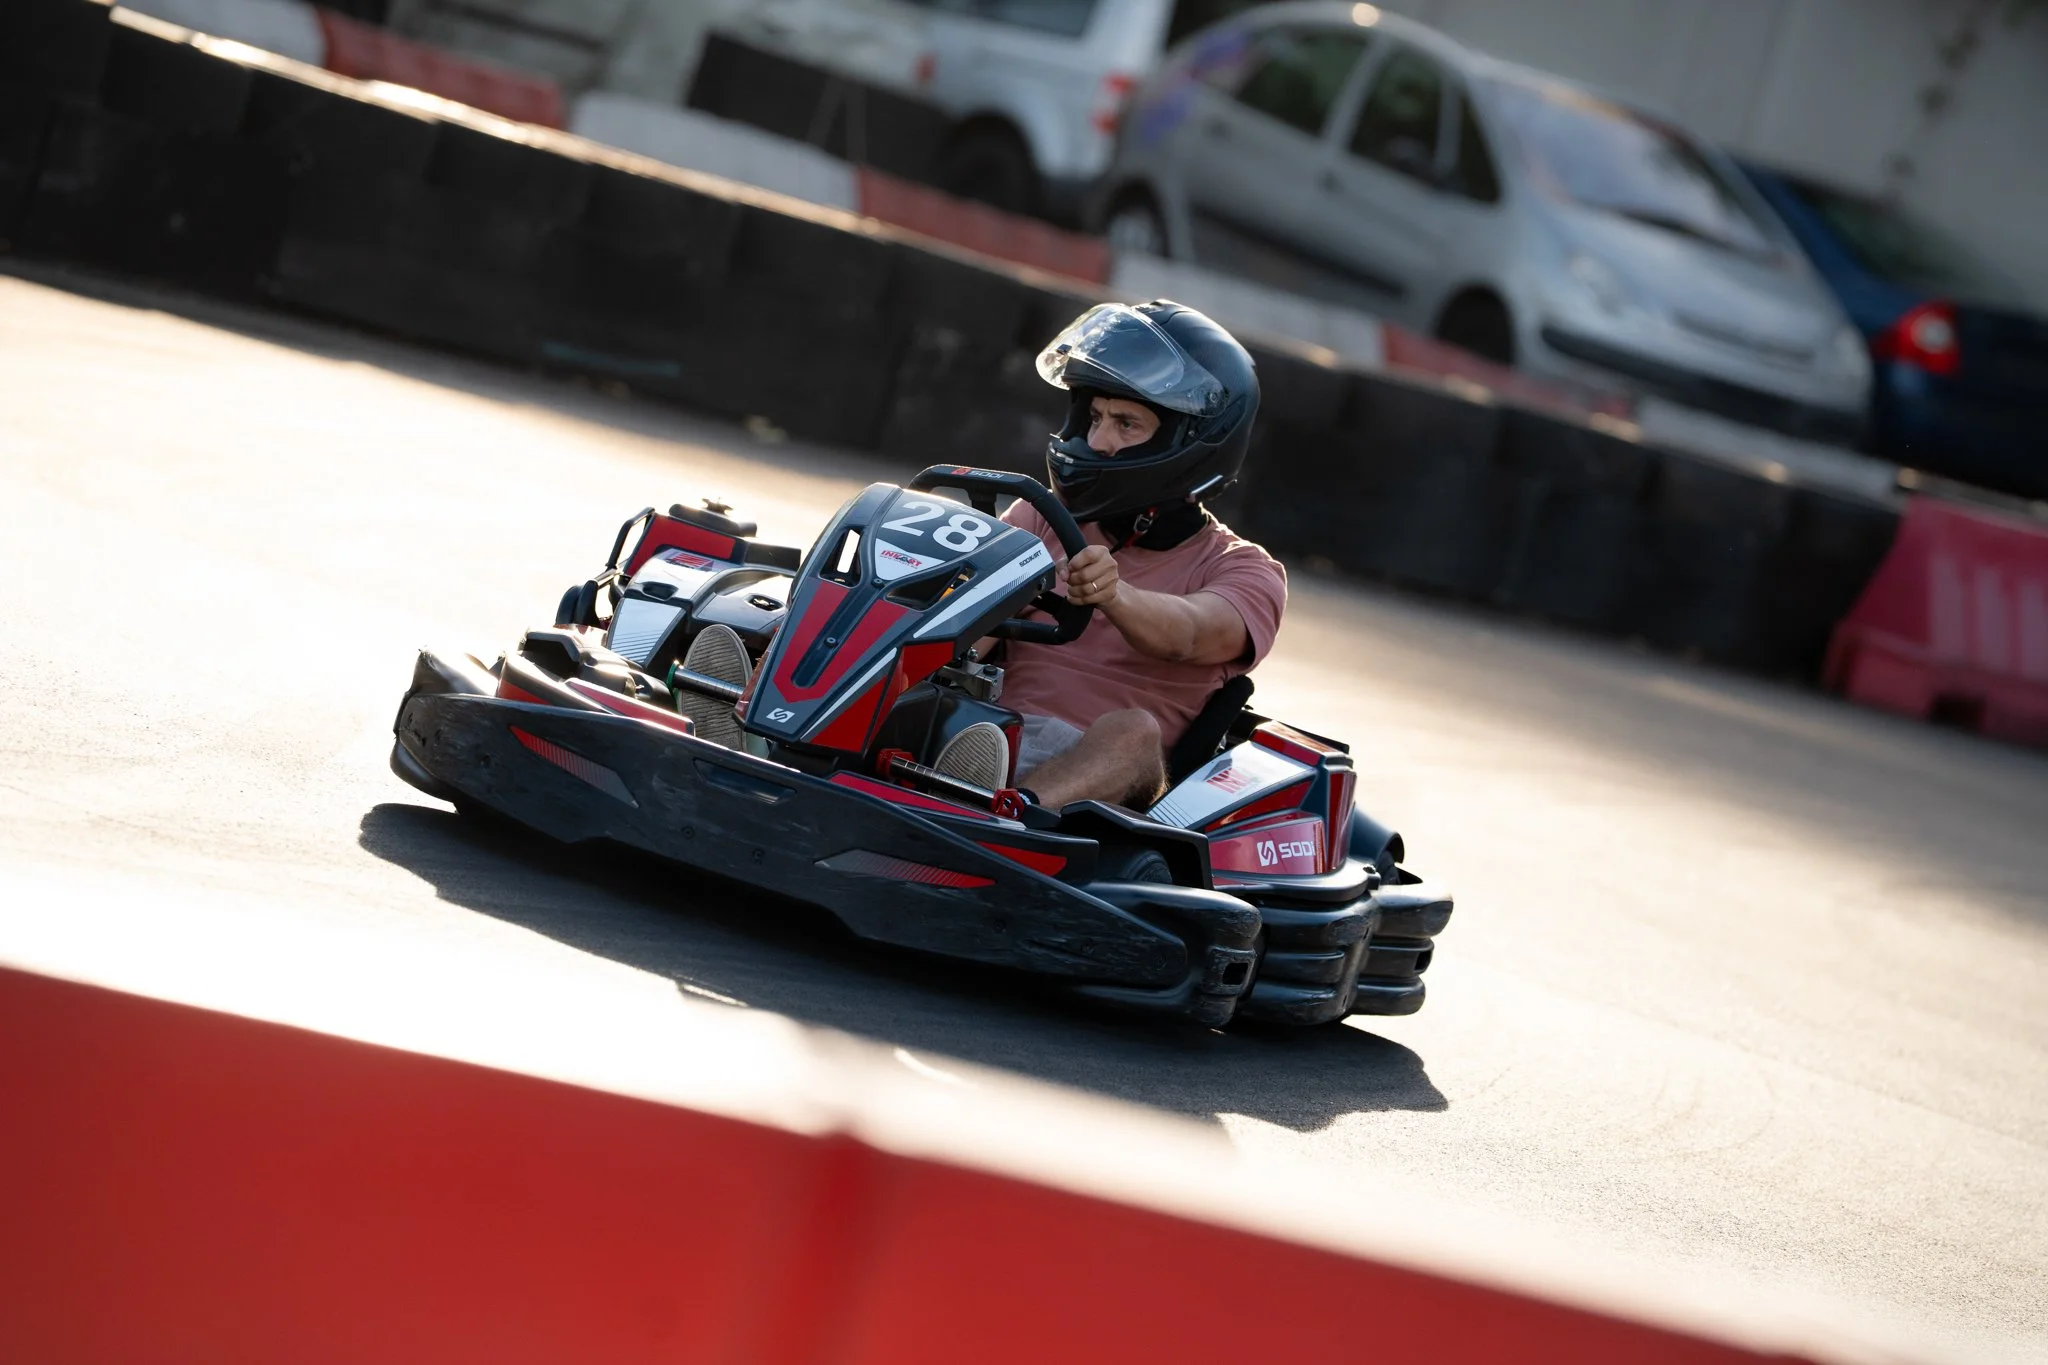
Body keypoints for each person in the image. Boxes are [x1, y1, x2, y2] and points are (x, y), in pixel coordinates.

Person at [989, 299, 1286, 812]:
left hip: (1109, 782)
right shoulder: (1043, 515)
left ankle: (1011, 816)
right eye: (1096, 417)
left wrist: (1114, 595)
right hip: (992, 735)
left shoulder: (1244, 569)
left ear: (1190, 441)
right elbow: (968, 617)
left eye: (1127, 424)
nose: (1099, 440)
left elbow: (1189, 633)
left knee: (1131, 732)